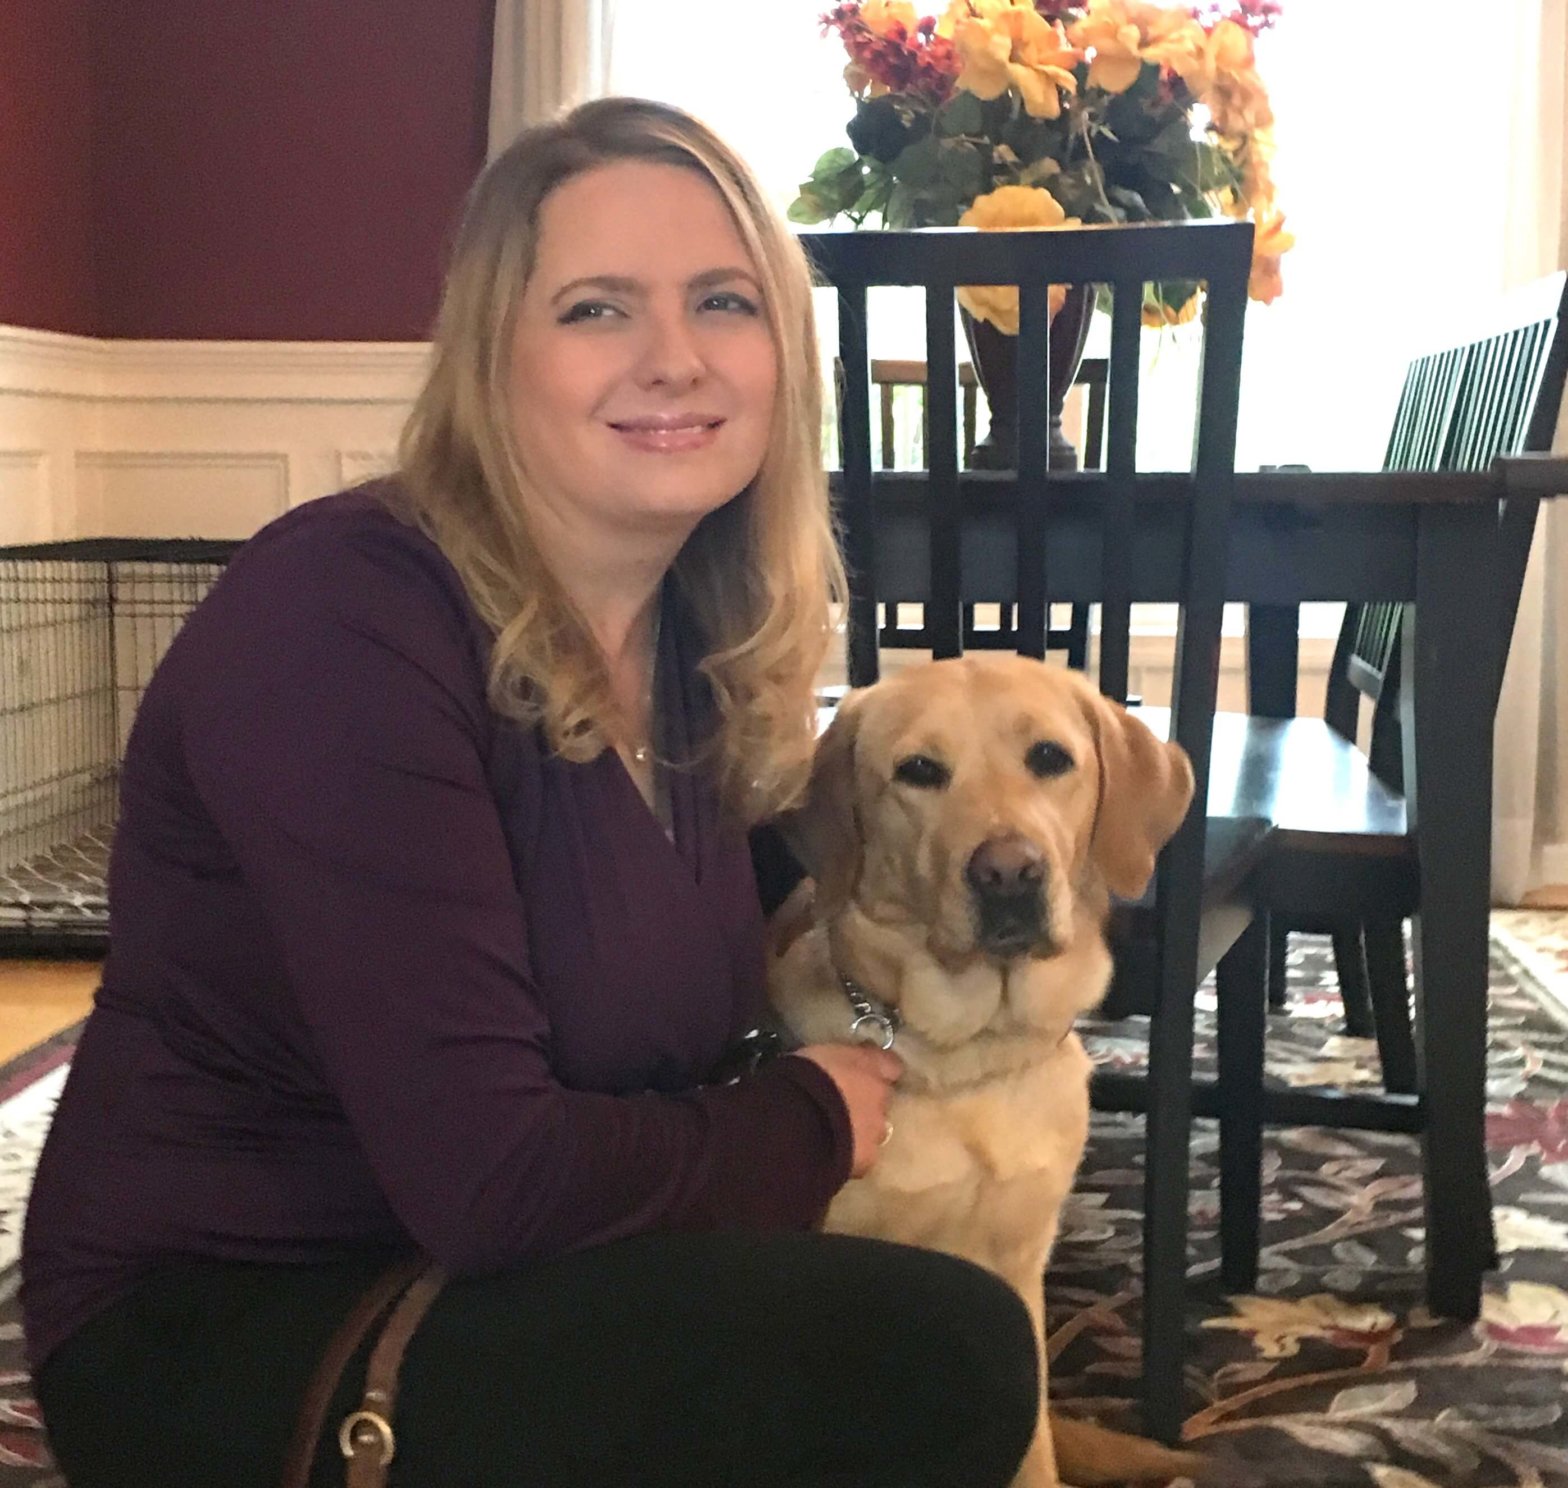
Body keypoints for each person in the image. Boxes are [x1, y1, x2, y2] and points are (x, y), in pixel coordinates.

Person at [21, 97, 1039, 1487]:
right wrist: (802, 1117)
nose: (674, 359)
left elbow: (738, 927)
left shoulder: (688, 647)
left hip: (487, 1265)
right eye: (597, 310)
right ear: (491, 358)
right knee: (940, 1356)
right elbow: (495, 1181)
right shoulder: (342, 619)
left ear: (784, 356)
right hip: (243, 1319)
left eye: (725, 301)